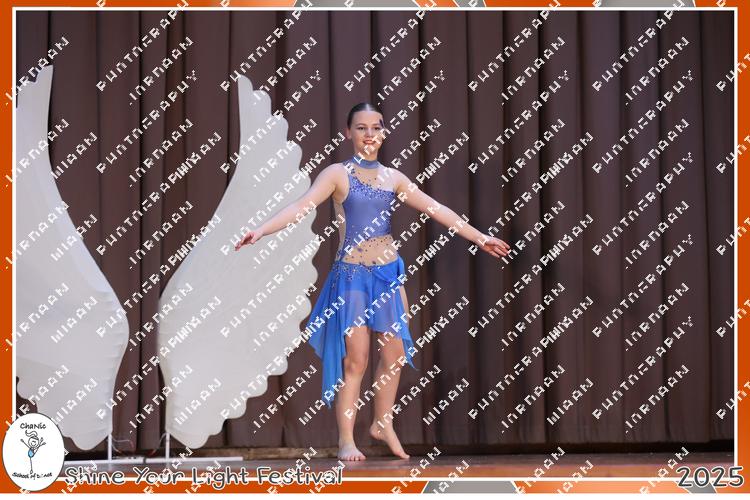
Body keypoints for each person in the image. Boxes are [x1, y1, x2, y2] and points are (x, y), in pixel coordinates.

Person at [235, 102, 510, 461]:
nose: (369, 134)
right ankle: (346, 440)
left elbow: (436, 209)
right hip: (352, 277)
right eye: (361, 128)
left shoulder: (393, 178)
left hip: (387, 275)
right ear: (348, 133)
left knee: (395, 355)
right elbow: (301, 207)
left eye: (376, 127)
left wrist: (479, 237)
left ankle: (382, 423)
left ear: (384, 132)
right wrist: (261, 230)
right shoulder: (338, 174)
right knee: (357, 360)